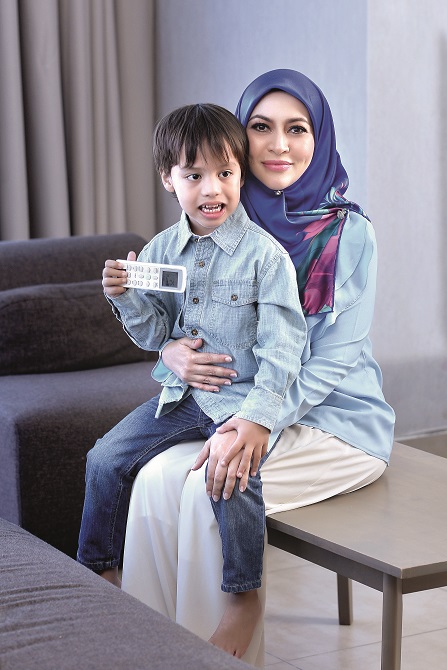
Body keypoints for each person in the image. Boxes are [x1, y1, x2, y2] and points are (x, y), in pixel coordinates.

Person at [121, 69, 395, 666]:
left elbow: (332, 359)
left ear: (319, 137)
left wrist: (257, 419)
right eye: (261, 128)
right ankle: (145, 650)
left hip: (336, 422)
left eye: (297, 129)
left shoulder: (349, 232)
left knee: (207, 490)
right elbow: (183, 317)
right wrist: (170, 351)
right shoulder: (225, 217)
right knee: (152, 481)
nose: (278, 145)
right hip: (247, 406)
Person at [76, 102, 307, 642]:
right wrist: (125, 296)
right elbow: (156, 334)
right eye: (194, 175)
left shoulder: (266, 258)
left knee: (230, 475)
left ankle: (243, 596)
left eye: (225, 173)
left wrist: (258, 418)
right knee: (104, 458)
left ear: (241, 175)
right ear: (168, 178)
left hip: (238, 400)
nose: (212, 190)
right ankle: (100, 574)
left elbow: (284, 349)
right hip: (182, 397)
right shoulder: (161, 250)